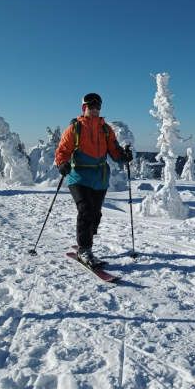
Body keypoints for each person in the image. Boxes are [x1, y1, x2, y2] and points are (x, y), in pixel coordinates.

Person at [55, 93, 133, 268]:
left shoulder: (105, 129)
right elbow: (62, 151)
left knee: (95, 214)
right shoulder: (75, 129)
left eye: (98, 107)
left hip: (100, 178)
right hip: (78, 177)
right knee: (86, 209)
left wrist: (123, 156)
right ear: (84, 108)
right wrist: (62, 164)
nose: (95, 110)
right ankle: (84, 248)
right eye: (91, 107)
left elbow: (114, 150)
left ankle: (86, 239)